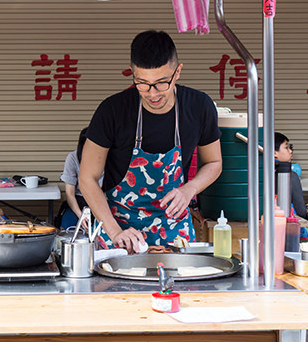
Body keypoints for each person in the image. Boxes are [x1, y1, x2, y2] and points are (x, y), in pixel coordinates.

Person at [79, 30, 222, 251]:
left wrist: (190, 189)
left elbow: (214, 163)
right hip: (120, 232)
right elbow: (87, 177)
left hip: (175, 232)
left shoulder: (199, 107)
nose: (152, 93)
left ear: (178, 72)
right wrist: (114, 230)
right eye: (142, 83)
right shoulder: (113, 110)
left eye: (162, 83)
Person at [58, 127, 101, 231]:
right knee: (68, 228)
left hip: (101, 200)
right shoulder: (72, 158)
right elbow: (70, 194)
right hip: (79, 201)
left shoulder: (107, 159)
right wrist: (81, 216)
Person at [275, 132, 307, 219]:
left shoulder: (260, 175)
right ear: (274, 153)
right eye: (286, 147)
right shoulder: (291, 177)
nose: (290, 151)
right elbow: (302, 213)